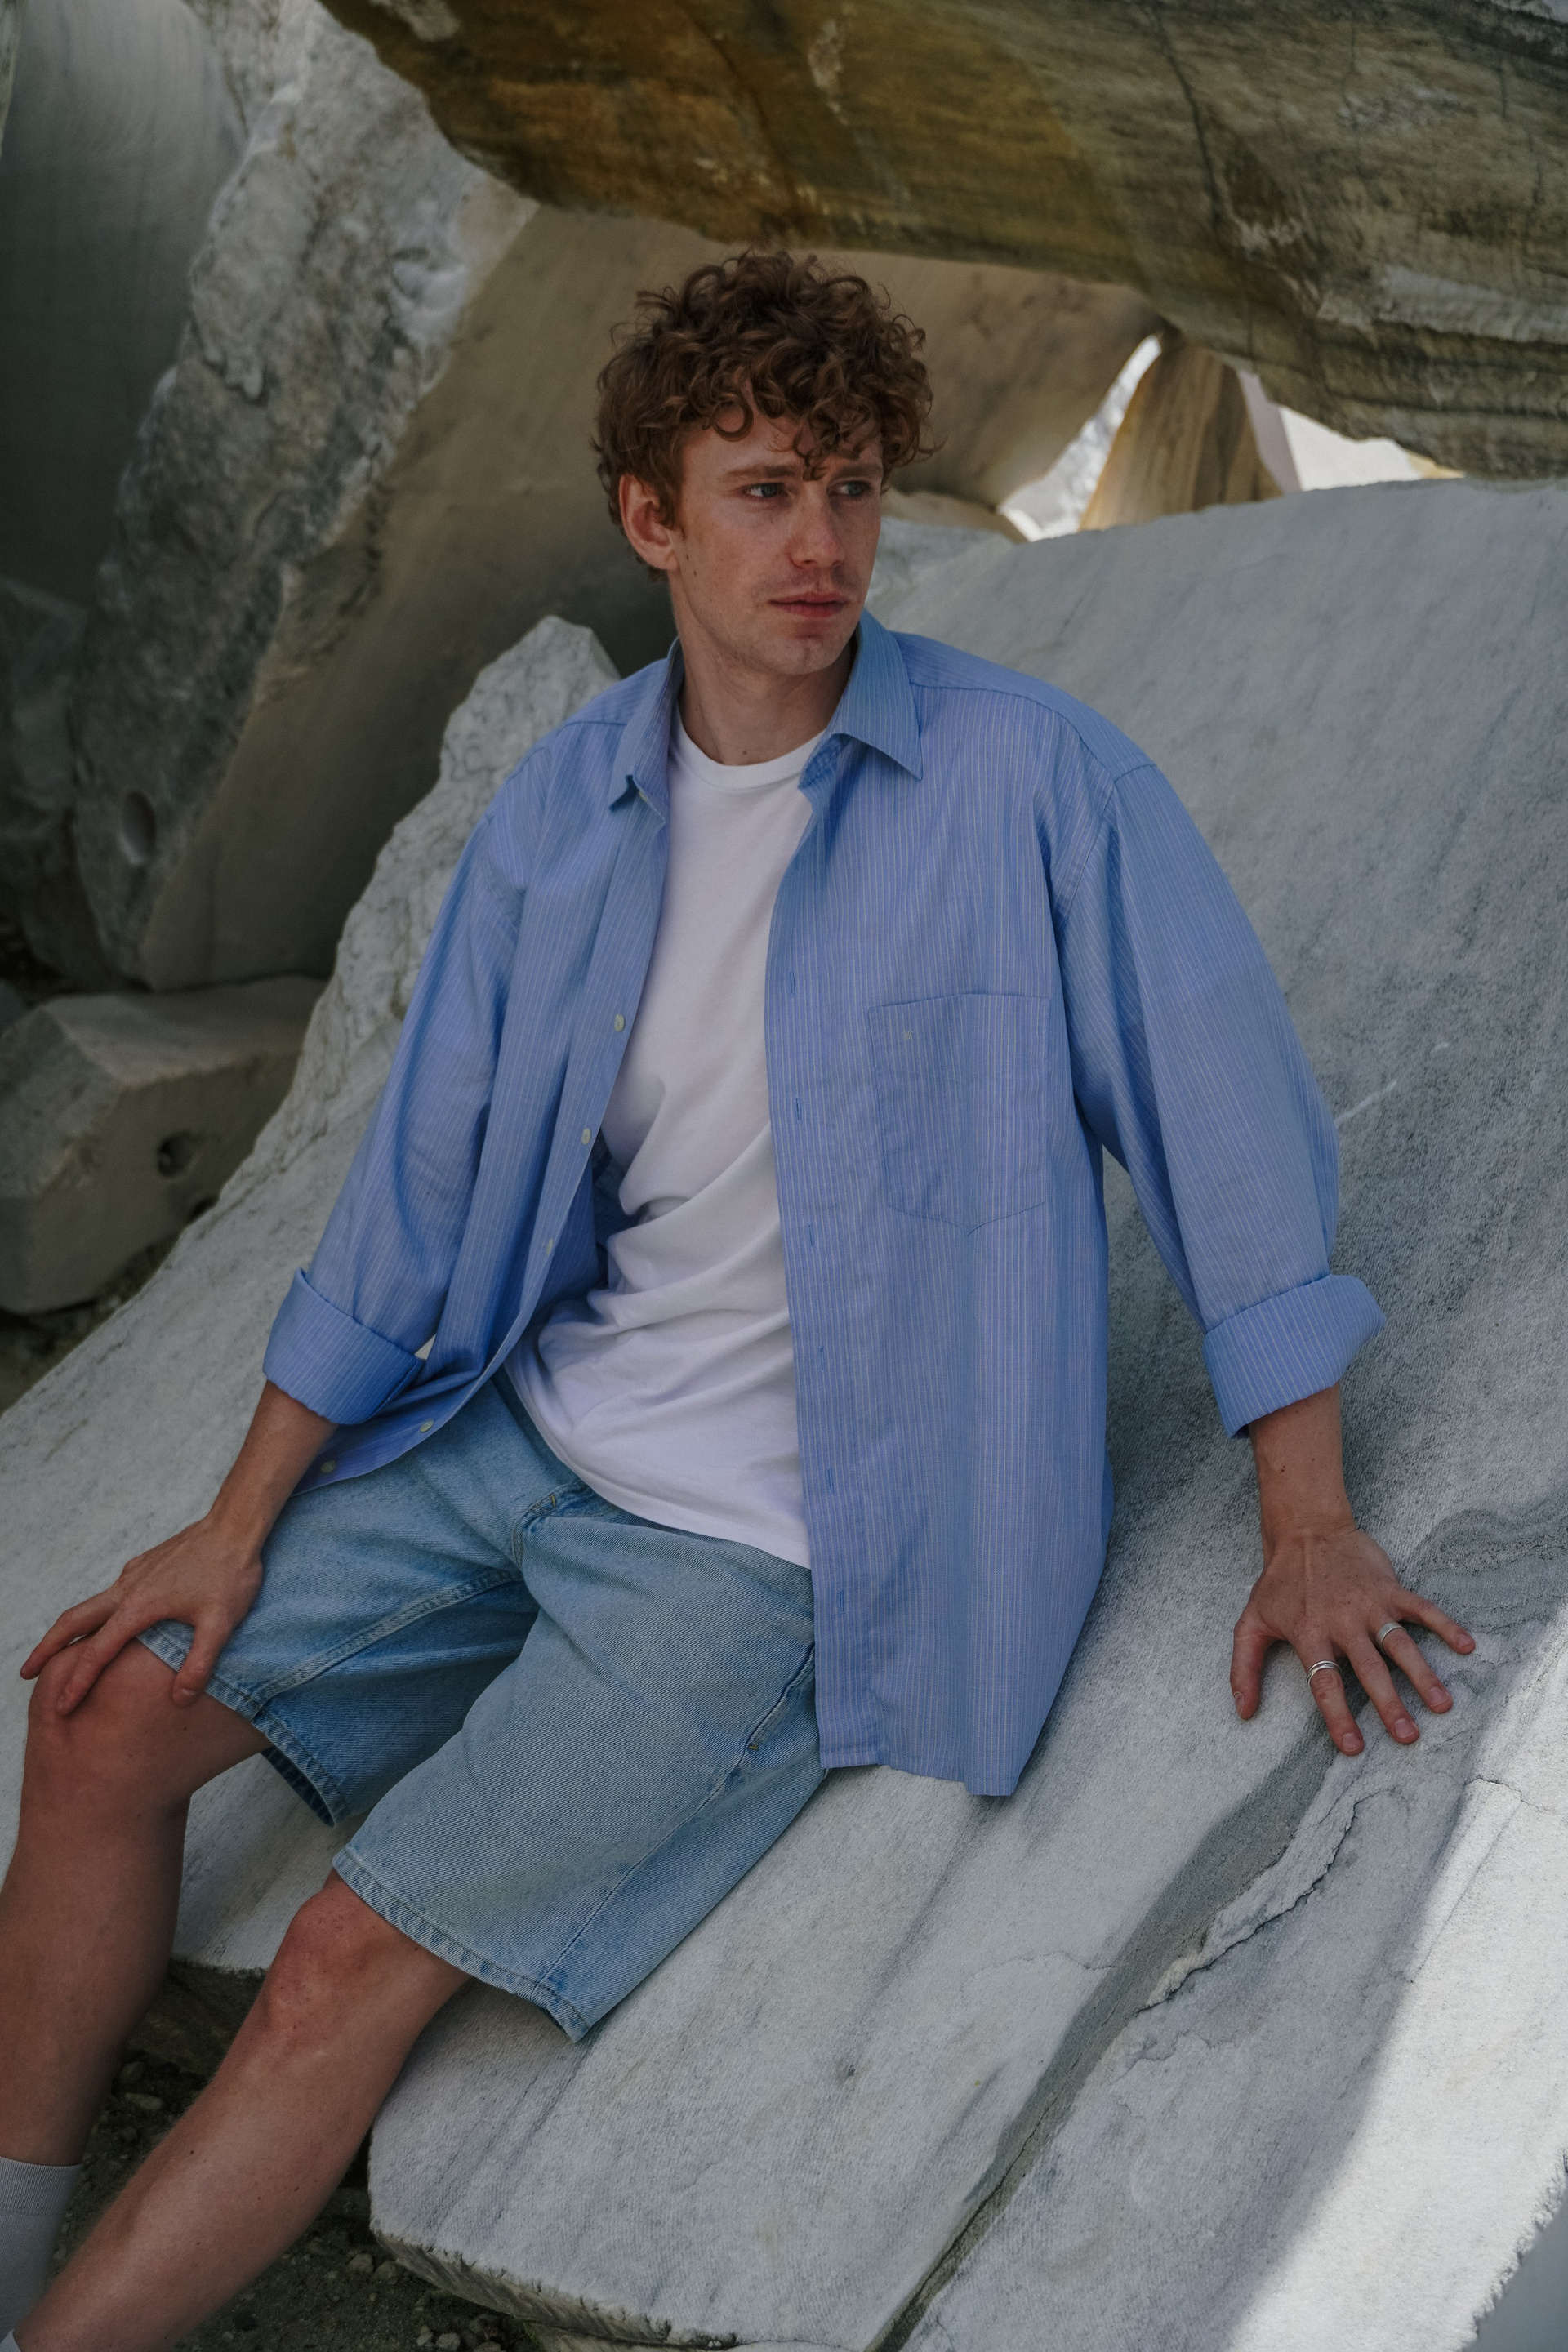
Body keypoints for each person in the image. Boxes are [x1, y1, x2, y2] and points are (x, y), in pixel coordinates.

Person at [0, 252, 1472, 2351]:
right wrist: (235, 1525)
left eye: (853, 488)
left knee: (341, 1962)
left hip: (777, 1550)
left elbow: (1226, 1141)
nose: (822, 545)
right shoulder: (567, 811)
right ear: (651, 520)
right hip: (531, 1439)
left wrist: (1307, 1517)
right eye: (765, 491)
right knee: (98, 1717)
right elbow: (418, 1202)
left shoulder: (1038, 788)